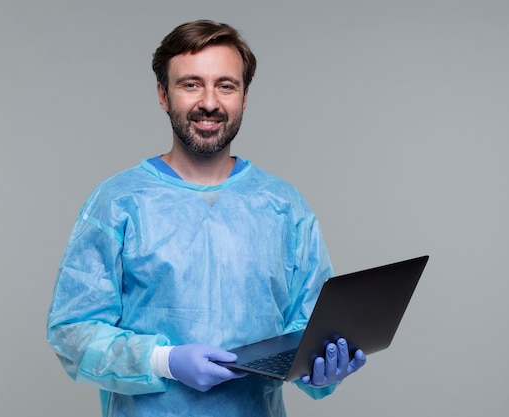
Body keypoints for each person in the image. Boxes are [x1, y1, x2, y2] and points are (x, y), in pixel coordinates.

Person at [47, 19, 366, 417]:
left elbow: (311, 325)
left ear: (245, 97)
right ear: (164, 95)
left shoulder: (283, 206)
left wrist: (322, 369)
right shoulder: (118, 202)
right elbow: (72, 331)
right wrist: (165, 361)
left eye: (226, 85)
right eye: (191, 84)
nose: (210, 102)